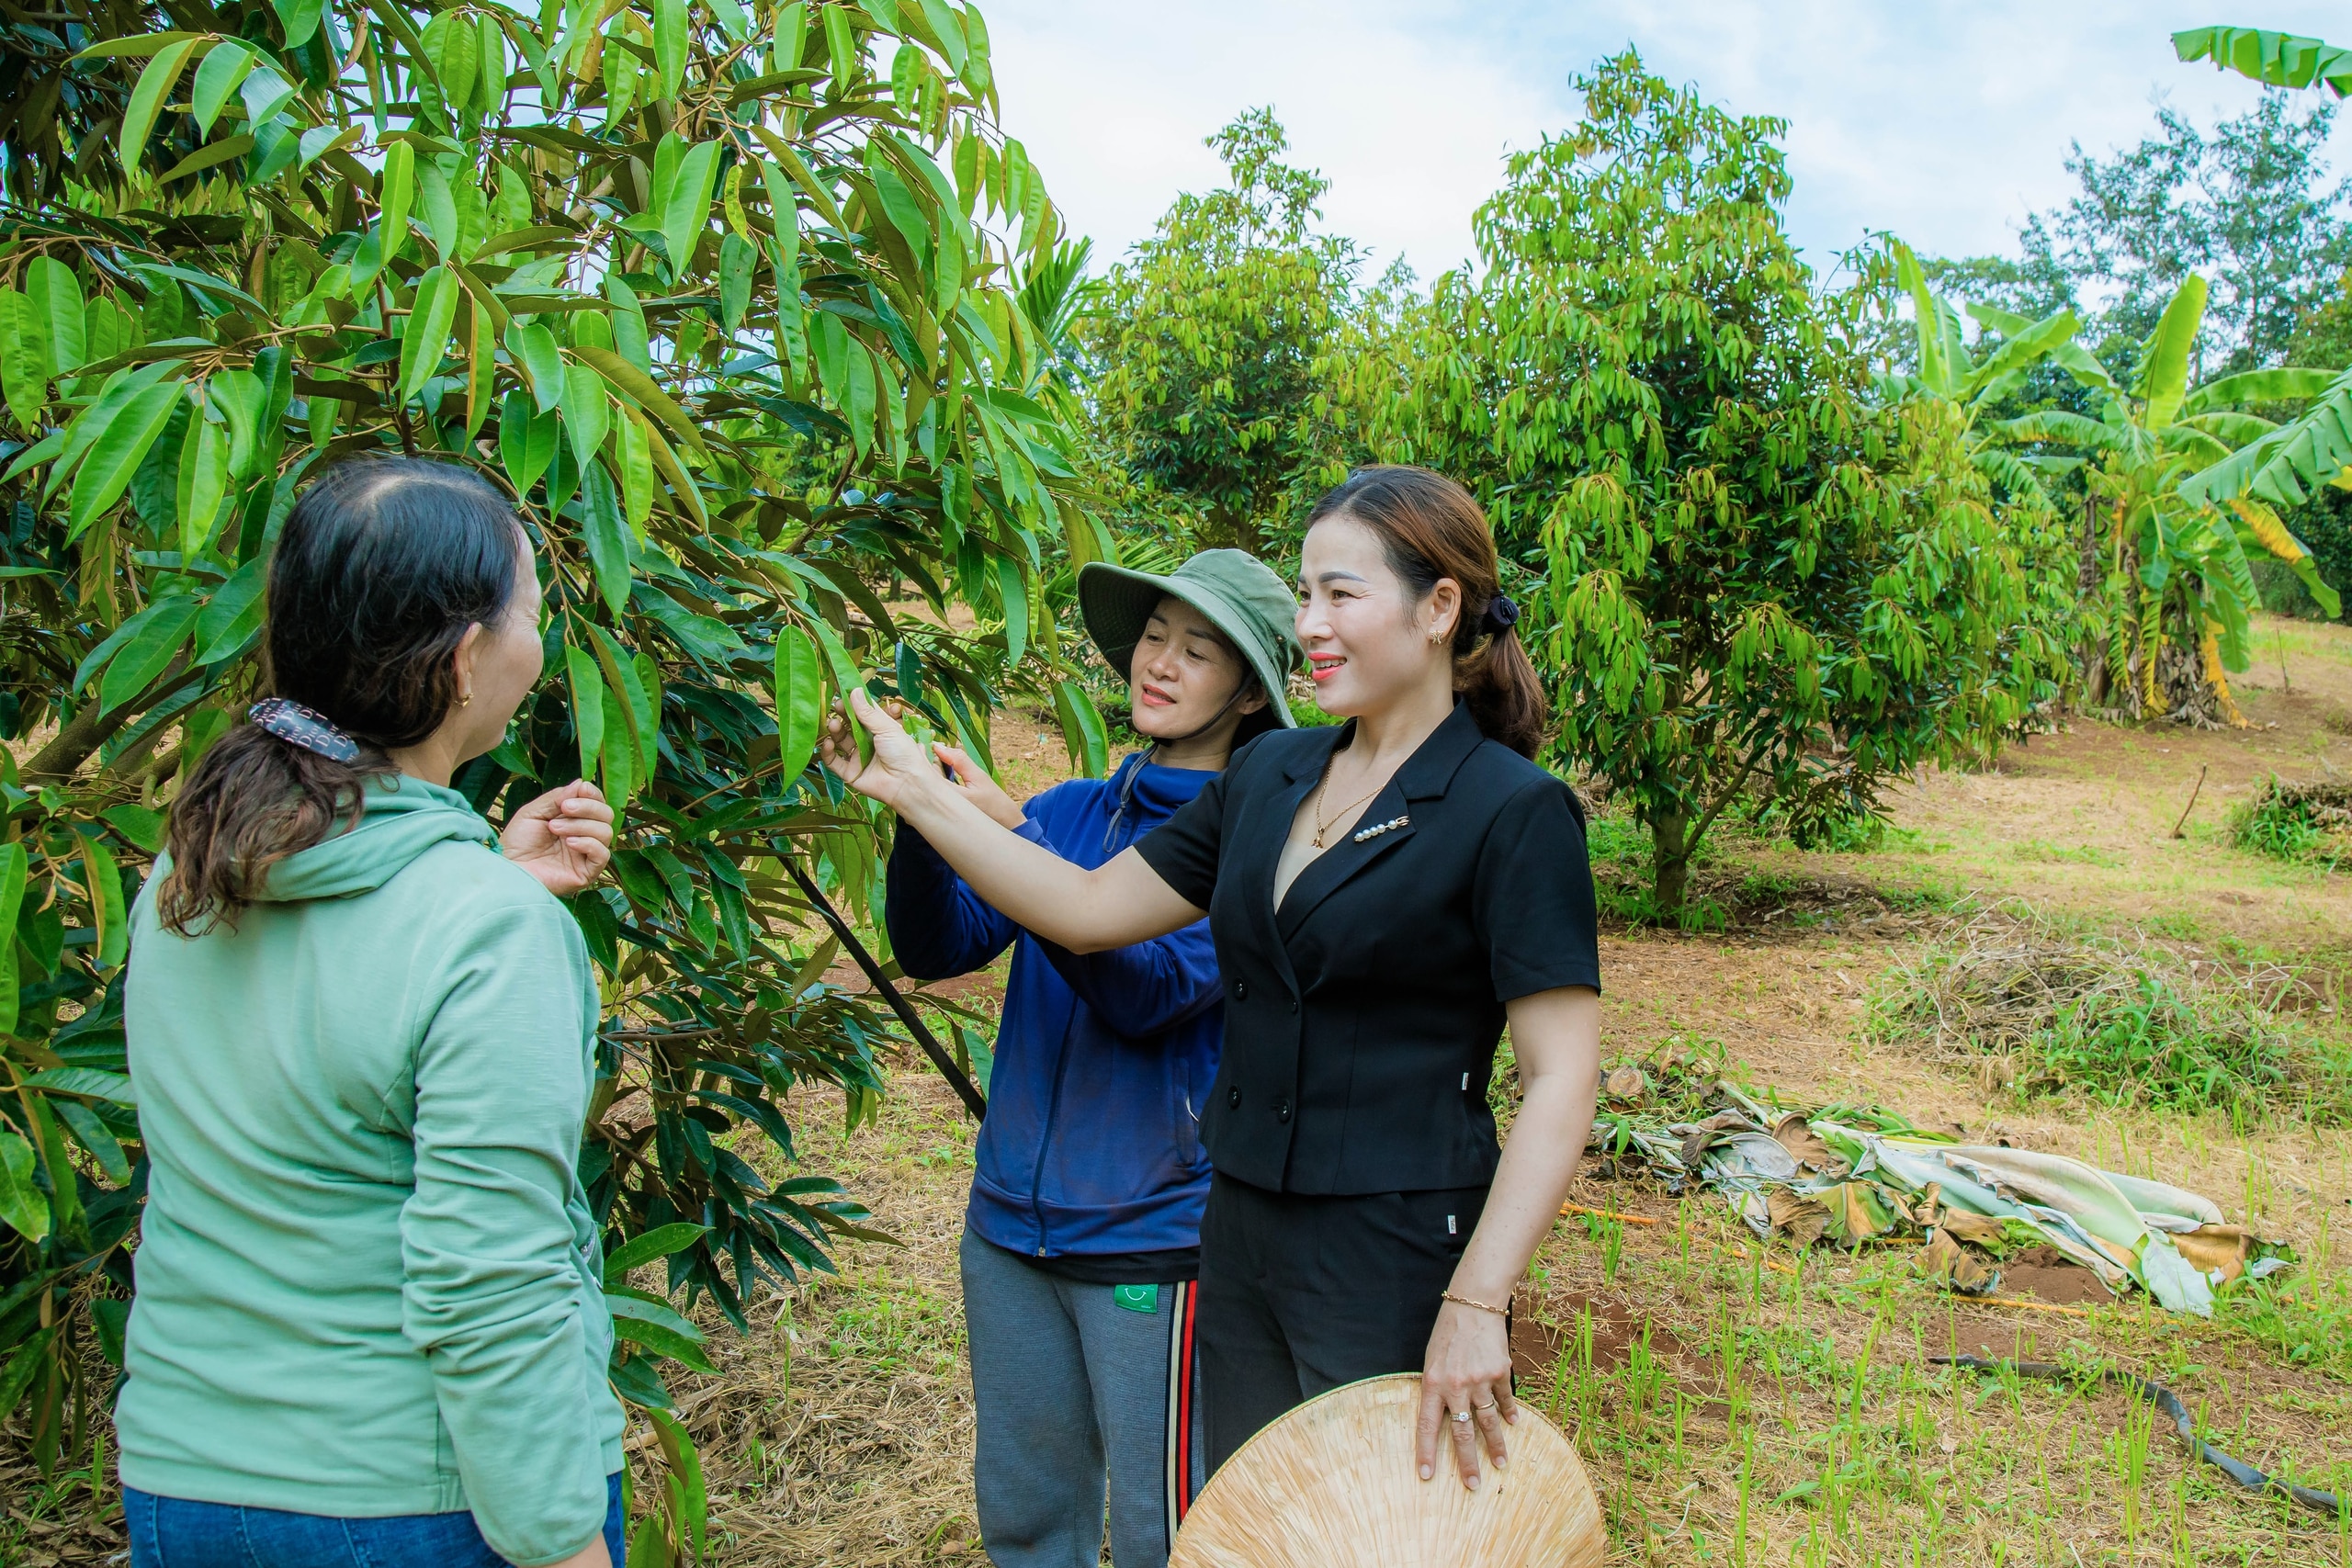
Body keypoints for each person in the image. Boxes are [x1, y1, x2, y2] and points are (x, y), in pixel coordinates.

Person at [824, 465, 1601, 1496]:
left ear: (1438, 607)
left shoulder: (1511, 811)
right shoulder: (1274, 777)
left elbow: (1561, 1078)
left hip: (1392, 1246)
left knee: (1376, 1527)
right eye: (1305, 594)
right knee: (1249, 1522)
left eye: (1340, 594)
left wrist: (1476, 1299)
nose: (1311, 624)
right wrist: (917, 795)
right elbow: (1086, 912)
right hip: (1237, 1235)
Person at [118, 457, 627, 1568]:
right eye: (532, 608)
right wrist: (563, 1544)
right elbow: (489, 1279)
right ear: (463, 662)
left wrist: (483, 877)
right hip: (408, 1500)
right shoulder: (484, 932)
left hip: (184, 1481)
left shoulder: (189, 872)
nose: (540, 641)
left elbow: (301, 1061)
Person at [886, 549, 1302, 1568]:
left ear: (1248, 690)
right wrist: (919, 818)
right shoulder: (1069, 812)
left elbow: (1148, 989)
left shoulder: (1256, 840)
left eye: (1198, 651)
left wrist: (1007, 839)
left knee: (1167, 1526)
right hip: (1008, 1233)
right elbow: (936, 949)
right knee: (1027, 1517)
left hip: (1148, 1242)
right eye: (1154, 636)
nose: (1159, 663)